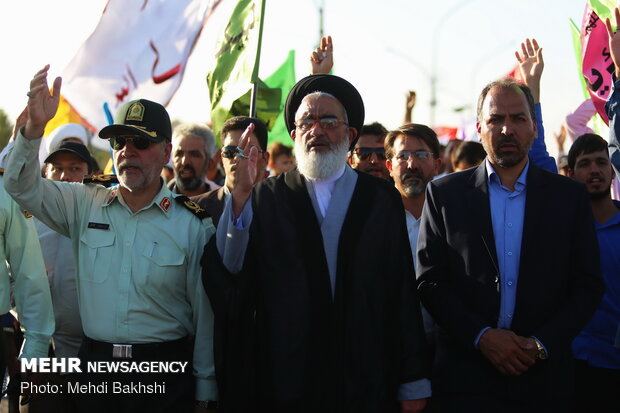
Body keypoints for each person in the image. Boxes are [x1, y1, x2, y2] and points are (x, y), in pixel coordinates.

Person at [204, 74, 430, 413]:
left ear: (350, 134)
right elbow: (233, 273)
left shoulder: (380, 198)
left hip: (365, 376)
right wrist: (239, 197)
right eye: (307, 122)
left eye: (328, 121)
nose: (317, 130)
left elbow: (400, 290)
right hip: (287, 377)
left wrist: (412, 380)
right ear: (294, 135)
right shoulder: (267, 196)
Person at [4, 65, 217, 412]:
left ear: (165, 153)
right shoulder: (84, 202)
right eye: (119, 141)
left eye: (142, 142)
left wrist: (206, 389)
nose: (127, 151)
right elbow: (19, 185)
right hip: (95, 372)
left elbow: (205, 318)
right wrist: (33, 131)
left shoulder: (192, 225)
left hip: (164, 377)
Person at [416, 77, 604, 412]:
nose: (506, 129)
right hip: (465, 381)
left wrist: (540, 344)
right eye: (495, 119)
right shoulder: (445, 195)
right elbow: (430, 281)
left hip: (545, 381)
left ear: (534, 126)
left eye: (518, 118)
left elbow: (588, 285)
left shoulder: (569, 197)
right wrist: (482, 337)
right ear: (478, 127)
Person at [566, 133, 620, 412]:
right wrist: (534, 92)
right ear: (570, 174)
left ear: (613, 171)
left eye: (602, 162)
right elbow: (537, 159)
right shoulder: (562, 230)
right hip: (570, 366)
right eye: (585, 164)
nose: (595, 170)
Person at [192, 116, 269, 227]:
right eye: (230, 151)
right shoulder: (195, 210)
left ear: (265, 158)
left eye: (247, 151)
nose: (237, 158)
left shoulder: (281, 207)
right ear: (221, 156)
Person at [169, 122, 217, 196]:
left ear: (209, 163)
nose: (184, 162)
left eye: (194, 155)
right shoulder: (154, 202)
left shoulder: (225, 203)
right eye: (179, 154)